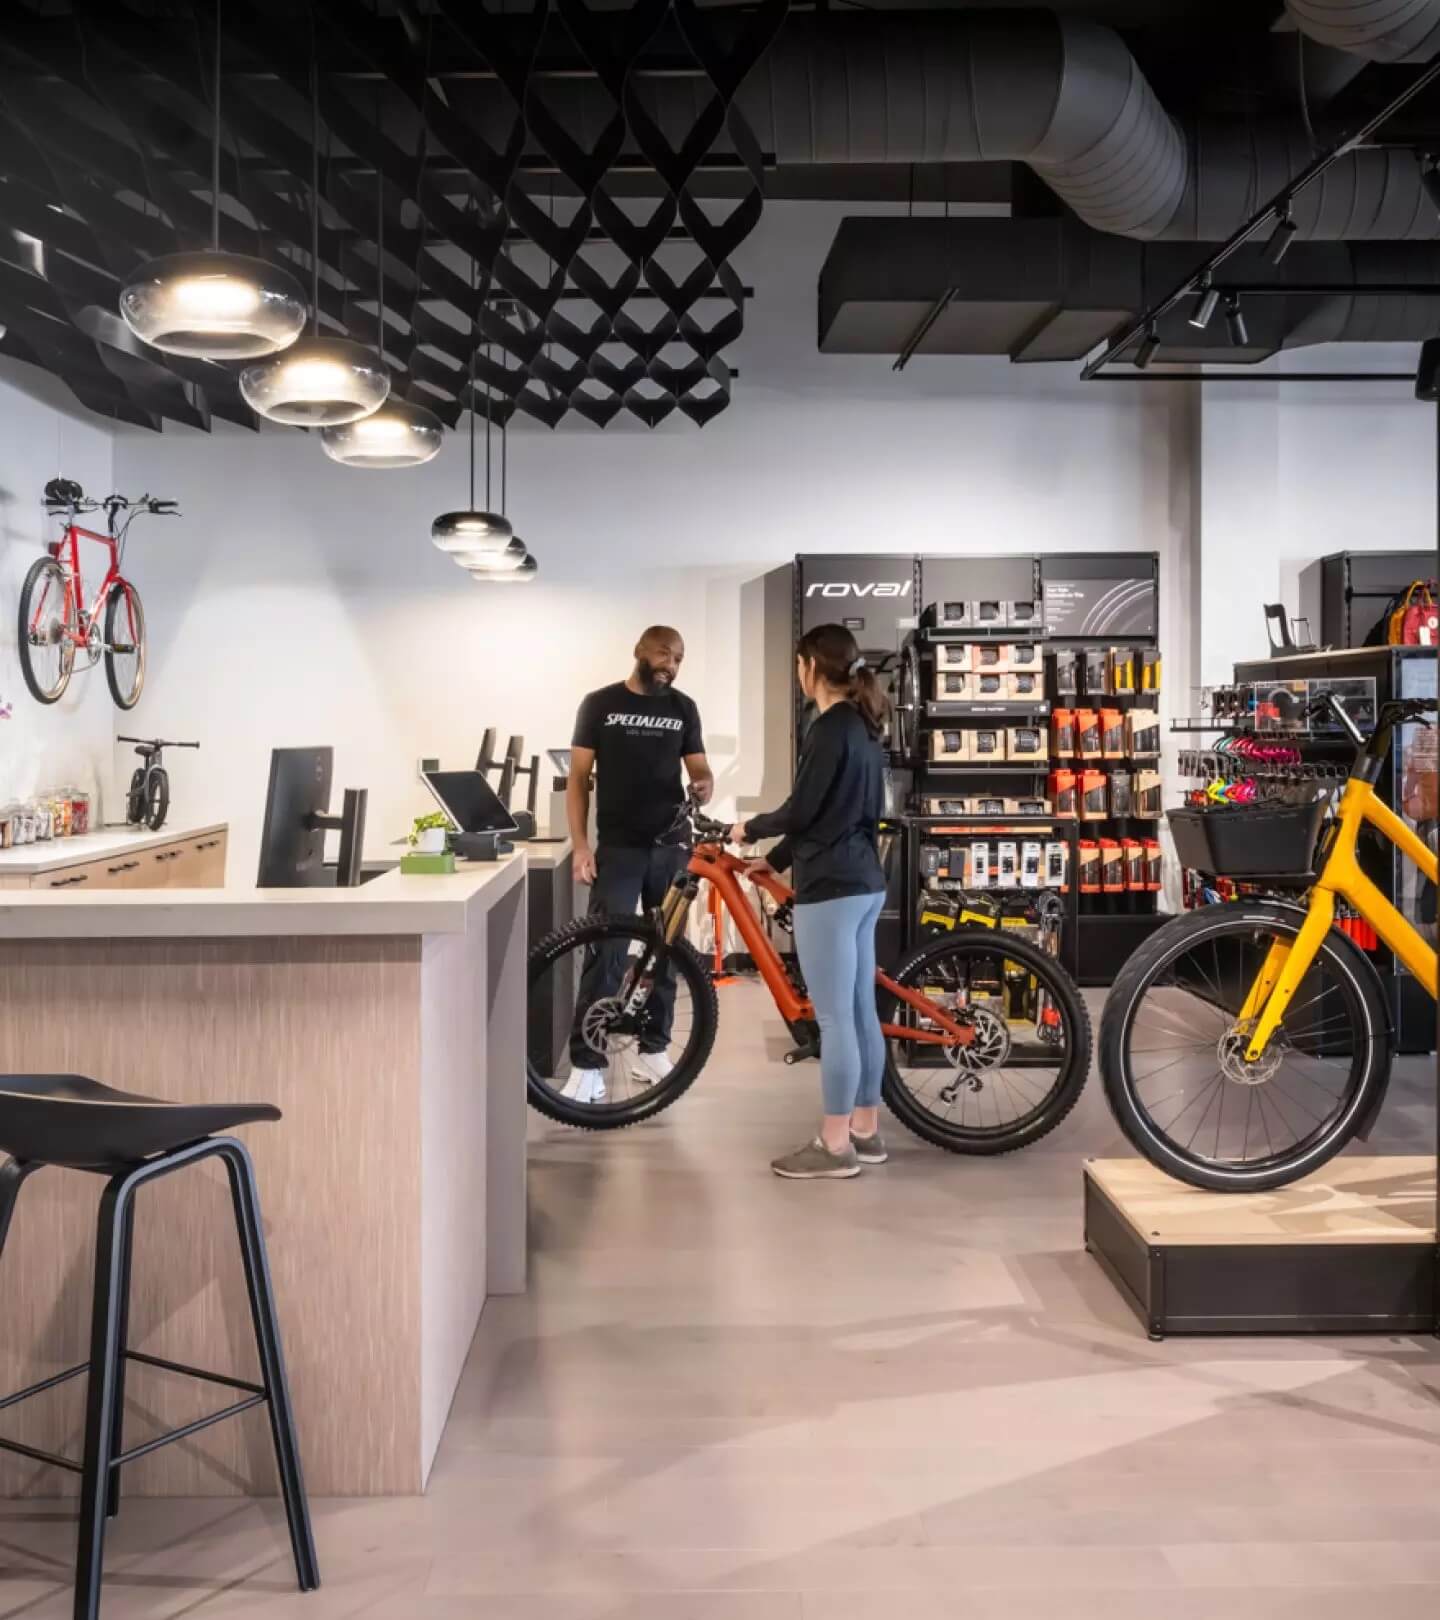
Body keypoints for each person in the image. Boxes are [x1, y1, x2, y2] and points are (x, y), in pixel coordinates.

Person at [731, 623, 888, 1180]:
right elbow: (825, 813)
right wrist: (771, 863)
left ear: (809, 667)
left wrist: (748, 828)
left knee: (835, 1020)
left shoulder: (828, 729)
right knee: (862, 1012)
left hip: (831, 890)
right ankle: (866, 1132)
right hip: (866, 883)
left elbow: (801, 811)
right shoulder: (865, 727)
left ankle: (834, 1144)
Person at [566, 626, 714, 1102]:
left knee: (666, 950)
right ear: (640, 651)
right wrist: (581, 844)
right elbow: (577, 779)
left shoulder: (682, 708)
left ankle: (654, 1047)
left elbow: (699, 768)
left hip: (670, 845)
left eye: (679, 657)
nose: (671, 663)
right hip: (620, 847)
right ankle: (588, 1063)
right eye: (665, 653)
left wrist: (705, 783)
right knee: (606, 951)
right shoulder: (600, 703)